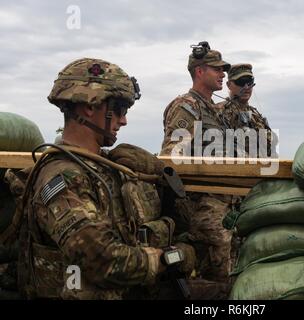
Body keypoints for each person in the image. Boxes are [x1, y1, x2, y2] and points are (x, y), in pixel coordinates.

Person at [18, 58, 194, 300]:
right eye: (119, 110)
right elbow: (101, 260)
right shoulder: (62, 177)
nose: (124, 120)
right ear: (90, 106)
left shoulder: (106, 166)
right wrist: (171, 259)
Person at [160, 42, 236, 291]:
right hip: (201, 206)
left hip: (220, 202)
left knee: (226, 270)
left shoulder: (214, 110)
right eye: (217, 69)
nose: (223, 74)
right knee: (213, 277)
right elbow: (172, 157)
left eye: (223, 70)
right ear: (200, 71)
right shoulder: (188, 106)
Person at [215, 63, 275, 157]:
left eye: (250, 82)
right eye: (241, 82)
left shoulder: (256, 116)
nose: (246, 87)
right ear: (229, 85)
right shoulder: (219, 112)